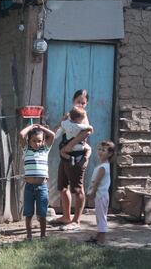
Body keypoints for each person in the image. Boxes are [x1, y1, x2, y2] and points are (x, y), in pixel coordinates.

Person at [52, 89, 92, 231]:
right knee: (63, 187)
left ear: (87, 104)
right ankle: (66, 217)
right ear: (73, 101)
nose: (80, 105)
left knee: (77, 189)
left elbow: (86, 133)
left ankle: (77, 221)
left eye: (83, 102)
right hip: (64, 157)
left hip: (77, 157)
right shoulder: (69, 117)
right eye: (78, 101)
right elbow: (57, 132)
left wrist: (68, 146)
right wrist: (59, 123)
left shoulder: (83, 118)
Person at [19, 124, 55, 240]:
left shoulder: (45, 150)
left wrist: (41, 128)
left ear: (43, 141)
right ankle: (29, 236)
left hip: (42, 187)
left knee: (42, 213)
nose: (37, 143)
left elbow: (52, 135)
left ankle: (43, 235)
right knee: (28, 214)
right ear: (29, 141)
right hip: (29, 187)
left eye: (39, 141)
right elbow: (21, 134)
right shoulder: (26, 150)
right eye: (33, 141)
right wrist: (31, 127)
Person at [86, 140, 115, 245]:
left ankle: (102, 240)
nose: (100, 152)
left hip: (101, 195)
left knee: (101, 217)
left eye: (104, 150)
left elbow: (97, 182)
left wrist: (92, 192)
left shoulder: (103, 167)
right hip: (101, 195)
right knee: (99, 216)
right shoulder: (102, 165)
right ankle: (98, 236)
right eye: (99, 149)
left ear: (110, 153)